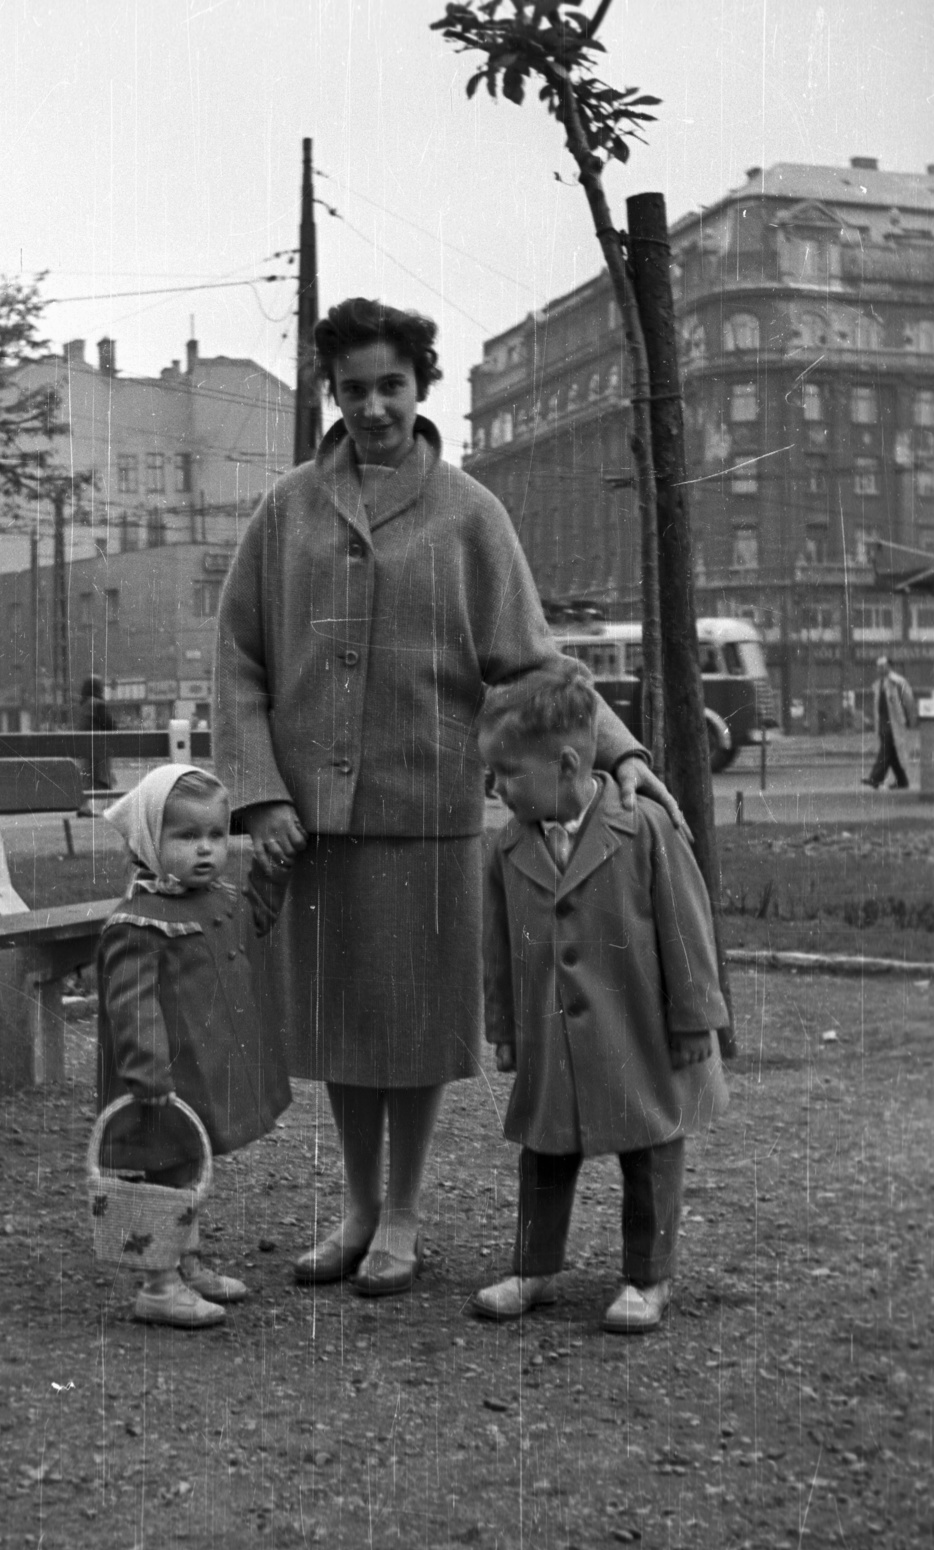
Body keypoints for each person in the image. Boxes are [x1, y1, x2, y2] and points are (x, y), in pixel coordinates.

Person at [213, 297, 683, 1298]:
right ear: (331, 395)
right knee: (343, 1026)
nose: (372, 407)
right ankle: (354, 1208)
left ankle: (403, 1213)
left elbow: (532, 663)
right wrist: (258, 795)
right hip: (311, 822)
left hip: (426, 813)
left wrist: (619, 751)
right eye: (352, 389)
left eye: (391, 385)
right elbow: (238, 660)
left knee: (415, 1025)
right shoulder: (286, 511)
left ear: (420, 384)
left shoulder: (470, 513)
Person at [474, 663, 730, 1330]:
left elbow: (687, 928)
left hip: (637, 1031)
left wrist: (696, 1019)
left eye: (506, 772)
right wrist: (504, 1027)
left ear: (565, 764)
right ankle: (533, 1267)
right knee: (543, 1150)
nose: (493, 787)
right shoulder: (507, 847)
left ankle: (648, 1277)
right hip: (551, 1037)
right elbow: (498, 948)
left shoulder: (645, 827)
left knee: (651, 1150)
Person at [97, 764, 290, 1327]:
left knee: (186, 1169)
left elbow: (255, 920)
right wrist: (147, 1072)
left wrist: (272, 874)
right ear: (146, 840)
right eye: (186, 836)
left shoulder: (215, 899)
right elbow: (132, 1006)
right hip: (159, 1078)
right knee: (163, 1176)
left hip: (195, 1070)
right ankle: (158, 1286)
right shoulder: (138, 922)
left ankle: (186, 1263)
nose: (206, 849)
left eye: (215, 835)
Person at [862, 656, 916, 790]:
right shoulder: (878, 684)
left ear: (889, 666)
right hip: (882, 725)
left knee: (886, 751)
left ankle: (875, 778)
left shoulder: (897, 682)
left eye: (882, 666)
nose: (879, 669)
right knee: (892, 754)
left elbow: (908, 700)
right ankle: (902, 781)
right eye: (878, 666)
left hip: (894, 724)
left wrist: (911, 718)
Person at [77, 675, 115, 790]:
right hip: (99, 757)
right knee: (102, 787)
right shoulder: (98, 705)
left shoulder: (83, 706)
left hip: (85, 758)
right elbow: (111, 726)